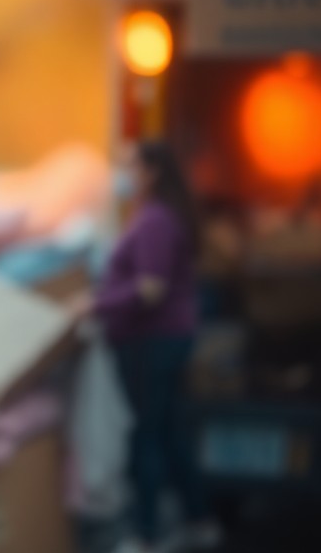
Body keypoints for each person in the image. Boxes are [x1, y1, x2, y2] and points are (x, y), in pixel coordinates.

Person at [95, 141, 218, 553]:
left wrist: (94, 304)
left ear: (151, 172)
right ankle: (198, 521)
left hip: (153, 340)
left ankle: (145, 534)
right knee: (171, 432)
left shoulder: (154, 222)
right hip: (166, 337)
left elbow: (150, 288)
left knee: (145, 435)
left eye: (129, 167)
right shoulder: (158, 217)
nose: (123, 176)